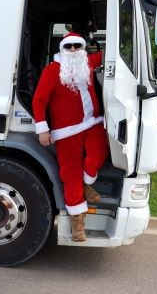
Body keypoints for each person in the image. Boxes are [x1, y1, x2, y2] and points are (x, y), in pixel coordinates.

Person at [32, 32, 107, 242]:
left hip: (92, 123)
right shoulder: (53, 70)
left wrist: (98, 43)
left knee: (98, 153)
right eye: (69, 47)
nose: (73, 50)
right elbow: (39, 101)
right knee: (70, 173)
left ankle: (87, 181)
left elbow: (111, 54)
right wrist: (43, 129)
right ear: (62, 49)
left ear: (82, 48)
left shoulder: (88, 62)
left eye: (77, 46)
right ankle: (78, 224)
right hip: (66, 132)